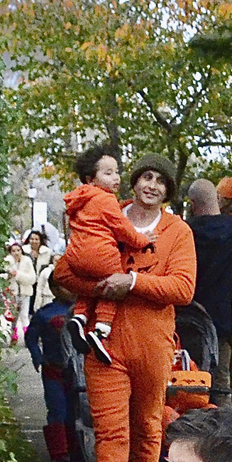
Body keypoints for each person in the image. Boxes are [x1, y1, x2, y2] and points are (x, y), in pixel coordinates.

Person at [54, 151, 196, 462]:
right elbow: (66, 271)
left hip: (152, 345)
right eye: (145, 177)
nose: (151, 185)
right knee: (110, 428)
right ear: (132, 182)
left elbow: (183, 289)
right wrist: (100, 286)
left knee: (149, 425)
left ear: (168, 190)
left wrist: (131, 282)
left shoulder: (177, 231)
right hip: (104, 343)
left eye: (160, 181)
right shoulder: (102, 211)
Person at [60, 144, 155, 365]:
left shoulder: (80, 200)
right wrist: (144, 240)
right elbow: (123, 228)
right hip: (100, 253)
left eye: (117, 172)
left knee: (91, 279)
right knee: (113, 284)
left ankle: (80, 317)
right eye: (108, 173)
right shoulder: (106, 199)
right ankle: (101, 330)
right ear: (91, 179)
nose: (116, 177)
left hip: (76, 254)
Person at [186, 178, 232, 405]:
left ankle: (223, 434)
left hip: (202, 320)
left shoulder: (186, 234)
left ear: (192, 203)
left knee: (217, 382)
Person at [24, 280, 73, 462]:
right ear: (54, 289)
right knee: (57, 410)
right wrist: (39, 358)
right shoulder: (45, 314)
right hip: (54, 369)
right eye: (64, 286)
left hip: (80, 372)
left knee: (77, 411)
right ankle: (59, 455)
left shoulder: (84, 310)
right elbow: (31, 338)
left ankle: (78, 452)